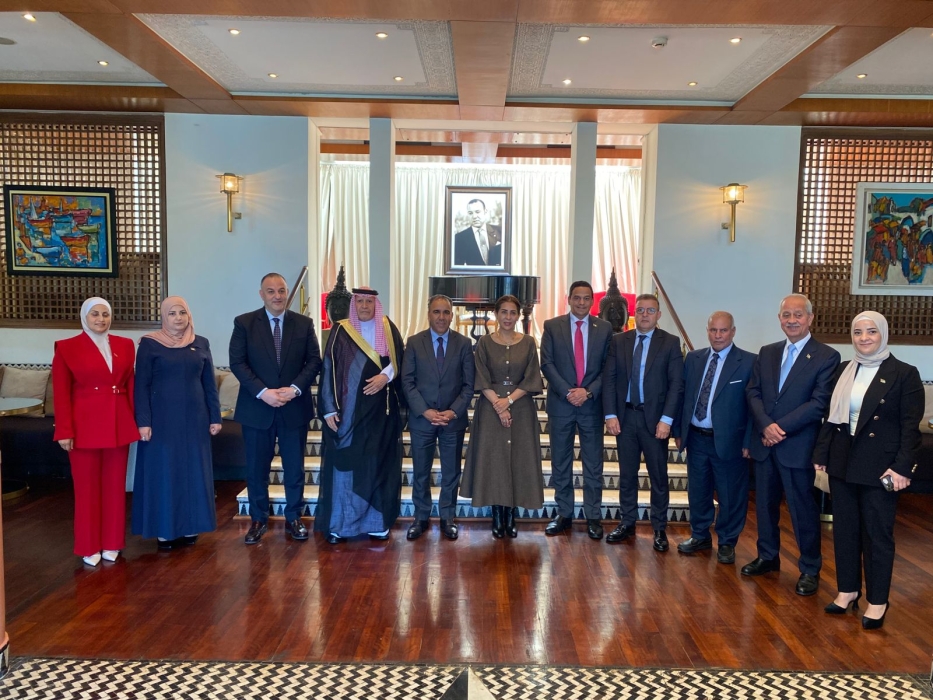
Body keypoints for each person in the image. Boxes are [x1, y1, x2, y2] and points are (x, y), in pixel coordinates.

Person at [813, 311, 923, 629]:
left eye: (871, 331)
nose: (864, 338)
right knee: (845, 531)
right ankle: (848, 590)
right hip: (843, 462)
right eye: (858, 332)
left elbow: (910, 428)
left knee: (877, 535)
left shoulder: (904, 373)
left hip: (881, 468)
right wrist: (821, 453)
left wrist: (902, 468)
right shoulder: (844, 369)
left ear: (883, 334)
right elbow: (831, 417)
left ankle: (877, 601)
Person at [744, 293, 840, 596]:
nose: (792, 320)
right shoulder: (767, 352)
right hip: (765, 443)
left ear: (810, 318)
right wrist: (765, 426)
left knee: (802, 510)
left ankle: (810, 568)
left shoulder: (827, 356)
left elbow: (819, 403)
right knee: (764, 506)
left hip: (797, 446)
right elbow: (753, 393)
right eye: (786, 315)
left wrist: (779, 428)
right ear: (779, 319)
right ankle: (768, 556)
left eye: (798, 315)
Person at [229, 273, 322, 545]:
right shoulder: (244, 323)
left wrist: (295, 389)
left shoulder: (304, 324)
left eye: (281, 290)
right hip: (257, 408)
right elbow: (237, 362)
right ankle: (258, 520)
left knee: (295, 468)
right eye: (271, 291)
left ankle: (294, 518)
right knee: (257, 469)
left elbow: (314, 361)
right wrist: (263, 392)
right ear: (262, 295)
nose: (277, 296)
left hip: (294, 407)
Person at [315, 287, 405, 544]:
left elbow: (400, 359)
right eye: (361, 301)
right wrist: (329, 408)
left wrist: (384, 377)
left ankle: (376, 524)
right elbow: (329, 368)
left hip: (380, 412)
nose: (365, 306)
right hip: (348, 412)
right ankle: (339, 525)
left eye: (369, 301)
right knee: (346, 465)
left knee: (377, 464)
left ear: (376, 304)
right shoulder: (341, 330)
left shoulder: (387, 327)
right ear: (354, 304)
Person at [52, 297, 138, 567]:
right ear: (84, 317)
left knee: (115, 486)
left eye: (105, 314)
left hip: (118, 424)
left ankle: (112, 541)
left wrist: (136, 422)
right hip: (83, 427)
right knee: (86, 489)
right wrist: (64, 430)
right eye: (95, 314)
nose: (101, 319)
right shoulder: (67, 347)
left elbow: (130, 385)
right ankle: (88, 545)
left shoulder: (125, 345)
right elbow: (61, 392)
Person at [132, 296, 222, 550]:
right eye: (172, 313)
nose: (178, 318)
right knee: (165, 472)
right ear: (164, 316)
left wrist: (215, 416)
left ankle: (192, 526)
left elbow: (209, 383)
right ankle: (165, 530)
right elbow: (141, 385)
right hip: (161, 420)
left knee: (193, 472)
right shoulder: (150, 344)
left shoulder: (200, 342)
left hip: (196, 419)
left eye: (182, 312)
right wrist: (143, 421)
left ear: (189, 315)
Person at [602, 294, 683, 551]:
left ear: (659, 315)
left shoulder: (670, 342)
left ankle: (659, 528)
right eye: (640, 310)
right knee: (627, 475)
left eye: (650, 310)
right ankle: (627, 522)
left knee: (658, 477)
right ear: (633, 313)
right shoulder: (619, 341)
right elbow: (609, 379)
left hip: (655, 420)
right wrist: (610, 414)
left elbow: (676, 385)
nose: (645, 314)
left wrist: (667, 420)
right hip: (625, 418)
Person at [674, 311, 755, 564]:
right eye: (713, 330)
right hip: (696, 438)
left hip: (730, 442)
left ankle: (727, 541)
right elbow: (683, 396)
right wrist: (679, 431)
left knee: (730, 495)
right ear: (707, 331)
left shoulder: (749, 362)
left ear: (733, 331)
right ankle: (700, 535)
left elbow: (754, 406)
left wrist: (749, 441)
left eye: (723, 330)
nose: (718, 335)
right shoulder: (694, 358)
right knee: (698, 491)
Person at [461, 294, 544, 538]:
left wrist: (508, 401)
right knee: (494, 461)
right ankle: (497, 514)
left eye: (512, 312)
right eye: (503, 312)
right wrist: (499, 404)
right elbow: (480, 376)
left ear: (518, 316)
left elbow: (531, 377)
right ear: (496, 315)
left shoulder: (528, 342)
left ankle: (511, 515)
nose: (508, 317)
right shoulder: (484, 343)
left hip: (521, 407)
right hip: (490, 408)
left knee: (518, 460)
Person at [540, 281, 613, 539]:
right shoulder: (552, 326)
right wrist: (568, 392)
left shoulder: (604, 328)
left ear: (592, 301)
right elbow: (546, 363)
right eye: (577, 298)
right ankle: (564, 514)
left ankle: (593, 516)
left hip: (591, 406)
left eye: (586, 298)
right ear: (568, 299)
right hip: (562, 404)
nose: (581, 302)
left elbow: (608, 367)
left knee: (593, 464)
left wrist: (588, 391)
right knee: (561, 462)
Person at [401, 294, 476, 541]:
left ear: (452, 316)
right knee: (421, 472)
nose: (441, 317)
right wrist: (425, 411)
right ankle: (420, 517)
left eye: (446, 312)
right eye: (436, 312)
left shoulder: (464, 344)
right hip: (422, 419)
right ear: (429, 314)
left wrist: (453, 411)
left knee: (451, 472)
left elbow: (469, 385)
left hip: (452, 420)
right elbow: (407, 381)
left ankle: (447, 517)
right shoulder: (414, 342)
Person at [453, 198, 502, 267]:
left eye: (477, 212)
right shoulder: (460, 238)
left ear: (485, 211)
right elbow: (457, 268)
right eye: (470, 213)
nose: (474, 216)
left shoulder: (500, 231)